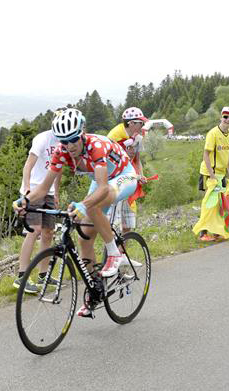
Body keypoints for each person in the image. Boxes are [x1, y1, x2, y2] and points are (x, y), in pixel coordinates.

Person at [13, 108, 141, 318]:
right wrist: (25, 200)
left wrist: (83, 205)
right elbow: (44, 189)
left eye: (73, 139)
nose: (69, 146)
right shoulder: (61, 151)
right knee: (83, 237)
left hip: (123, 177)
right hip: (102, 182)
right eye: (63, 141)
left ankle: (114, 253)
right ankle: (94, 291)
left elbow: (102, 189)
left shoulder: (96, 146)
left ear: (82, 133)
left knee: (91, 206)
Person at [14, 122, 61, 293]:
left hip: (48, 191)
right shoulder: (42, 138)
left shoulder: (64, 141)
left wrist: (56, 193)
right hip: (33, 189)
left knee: (48, 232)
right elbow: (28, 165)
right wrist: (26, 189)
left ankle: (44, 275)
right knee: (34, 230)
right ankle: (21, 276)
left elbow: (59, 170)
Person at [197, 107, 229, 241]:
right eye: (225, 117)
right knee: (209, 202)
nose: (227, 120)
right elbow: (206, 155)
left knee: (220, 203)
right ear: (221, 117)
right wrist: (212, 175)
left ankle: (216, 230)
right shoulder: (213, 133)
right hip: (208, 173)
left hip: (222, 174)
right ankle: (203, 233)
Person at [108, 107, 148, 233]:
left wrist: (140, 175)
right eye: (141, 123)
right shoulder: (114, 135)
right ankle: (112, 251)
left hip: (129, 180)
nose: (143, 125)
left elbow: (137, 159)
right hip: (114, 182)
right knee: (114, 224)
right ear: (131, 123)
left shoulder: (138, 138)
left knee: (128, 225)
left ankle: (122, 252)